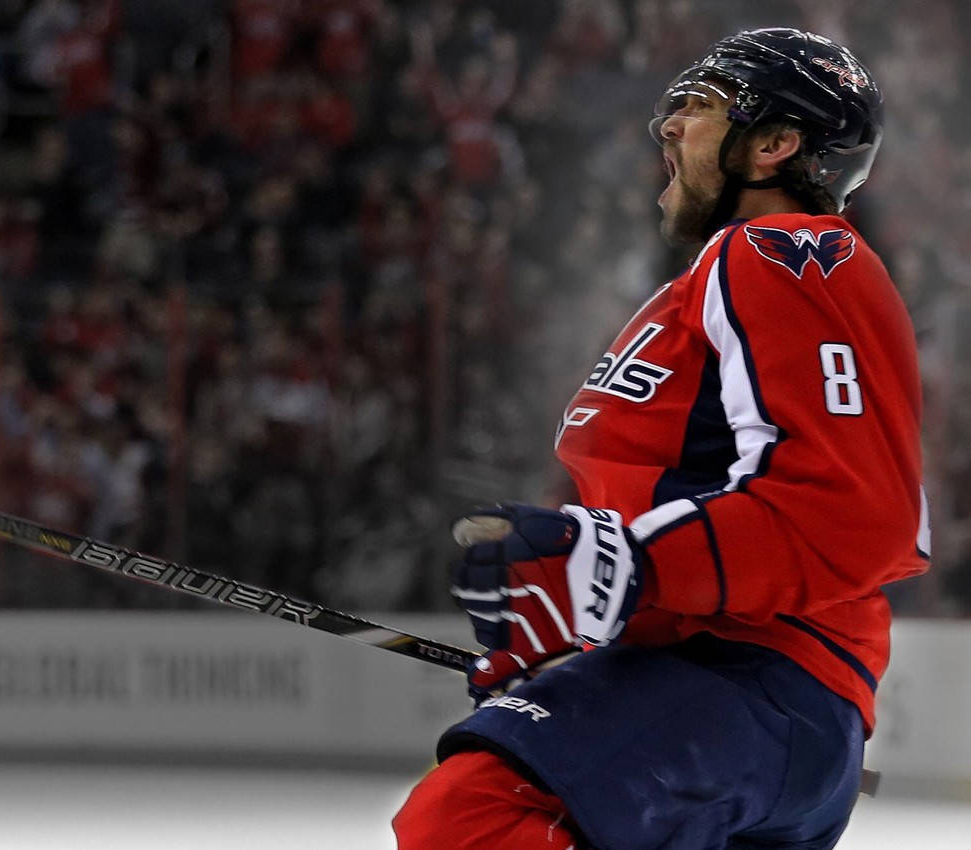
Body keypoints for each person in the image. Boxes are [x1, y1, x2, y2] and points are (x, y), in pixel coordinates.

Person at [393, 28, 930, 850]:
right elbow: (671, 508)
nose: (668, 126)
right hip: (721, 688)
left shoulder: (787, 250)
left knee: (470, 816)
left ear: (776, 144)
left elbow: (857, 512)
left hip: (757, 677)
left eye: (702, 105)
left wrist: (620, 564)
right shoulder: (714, 278)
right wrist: (571, 619)